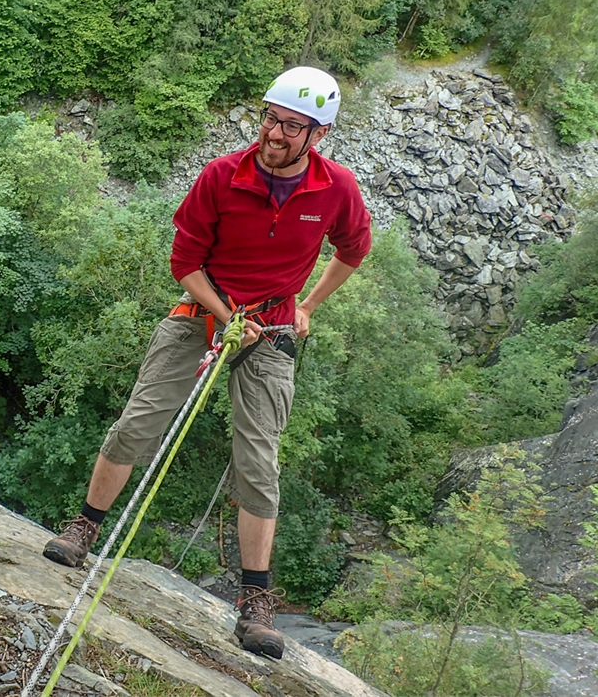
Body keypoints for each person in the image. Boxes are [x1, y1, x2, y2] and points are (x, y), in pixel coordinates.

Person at [41, 67, 372, 660]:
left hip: (271, 327)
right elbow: (185, 262)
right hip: (203, 310)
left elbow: (354, 249)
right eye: (270, 117)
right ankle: (84, 527)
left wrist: (308, 307)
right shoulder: (223, 175)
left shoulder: (336, 189)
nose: (274, 133)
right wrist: (225, 315)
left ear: (318, 134)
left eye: (291, 126)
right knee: (139, 422)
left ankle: (255, 602)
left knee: (259, 461)